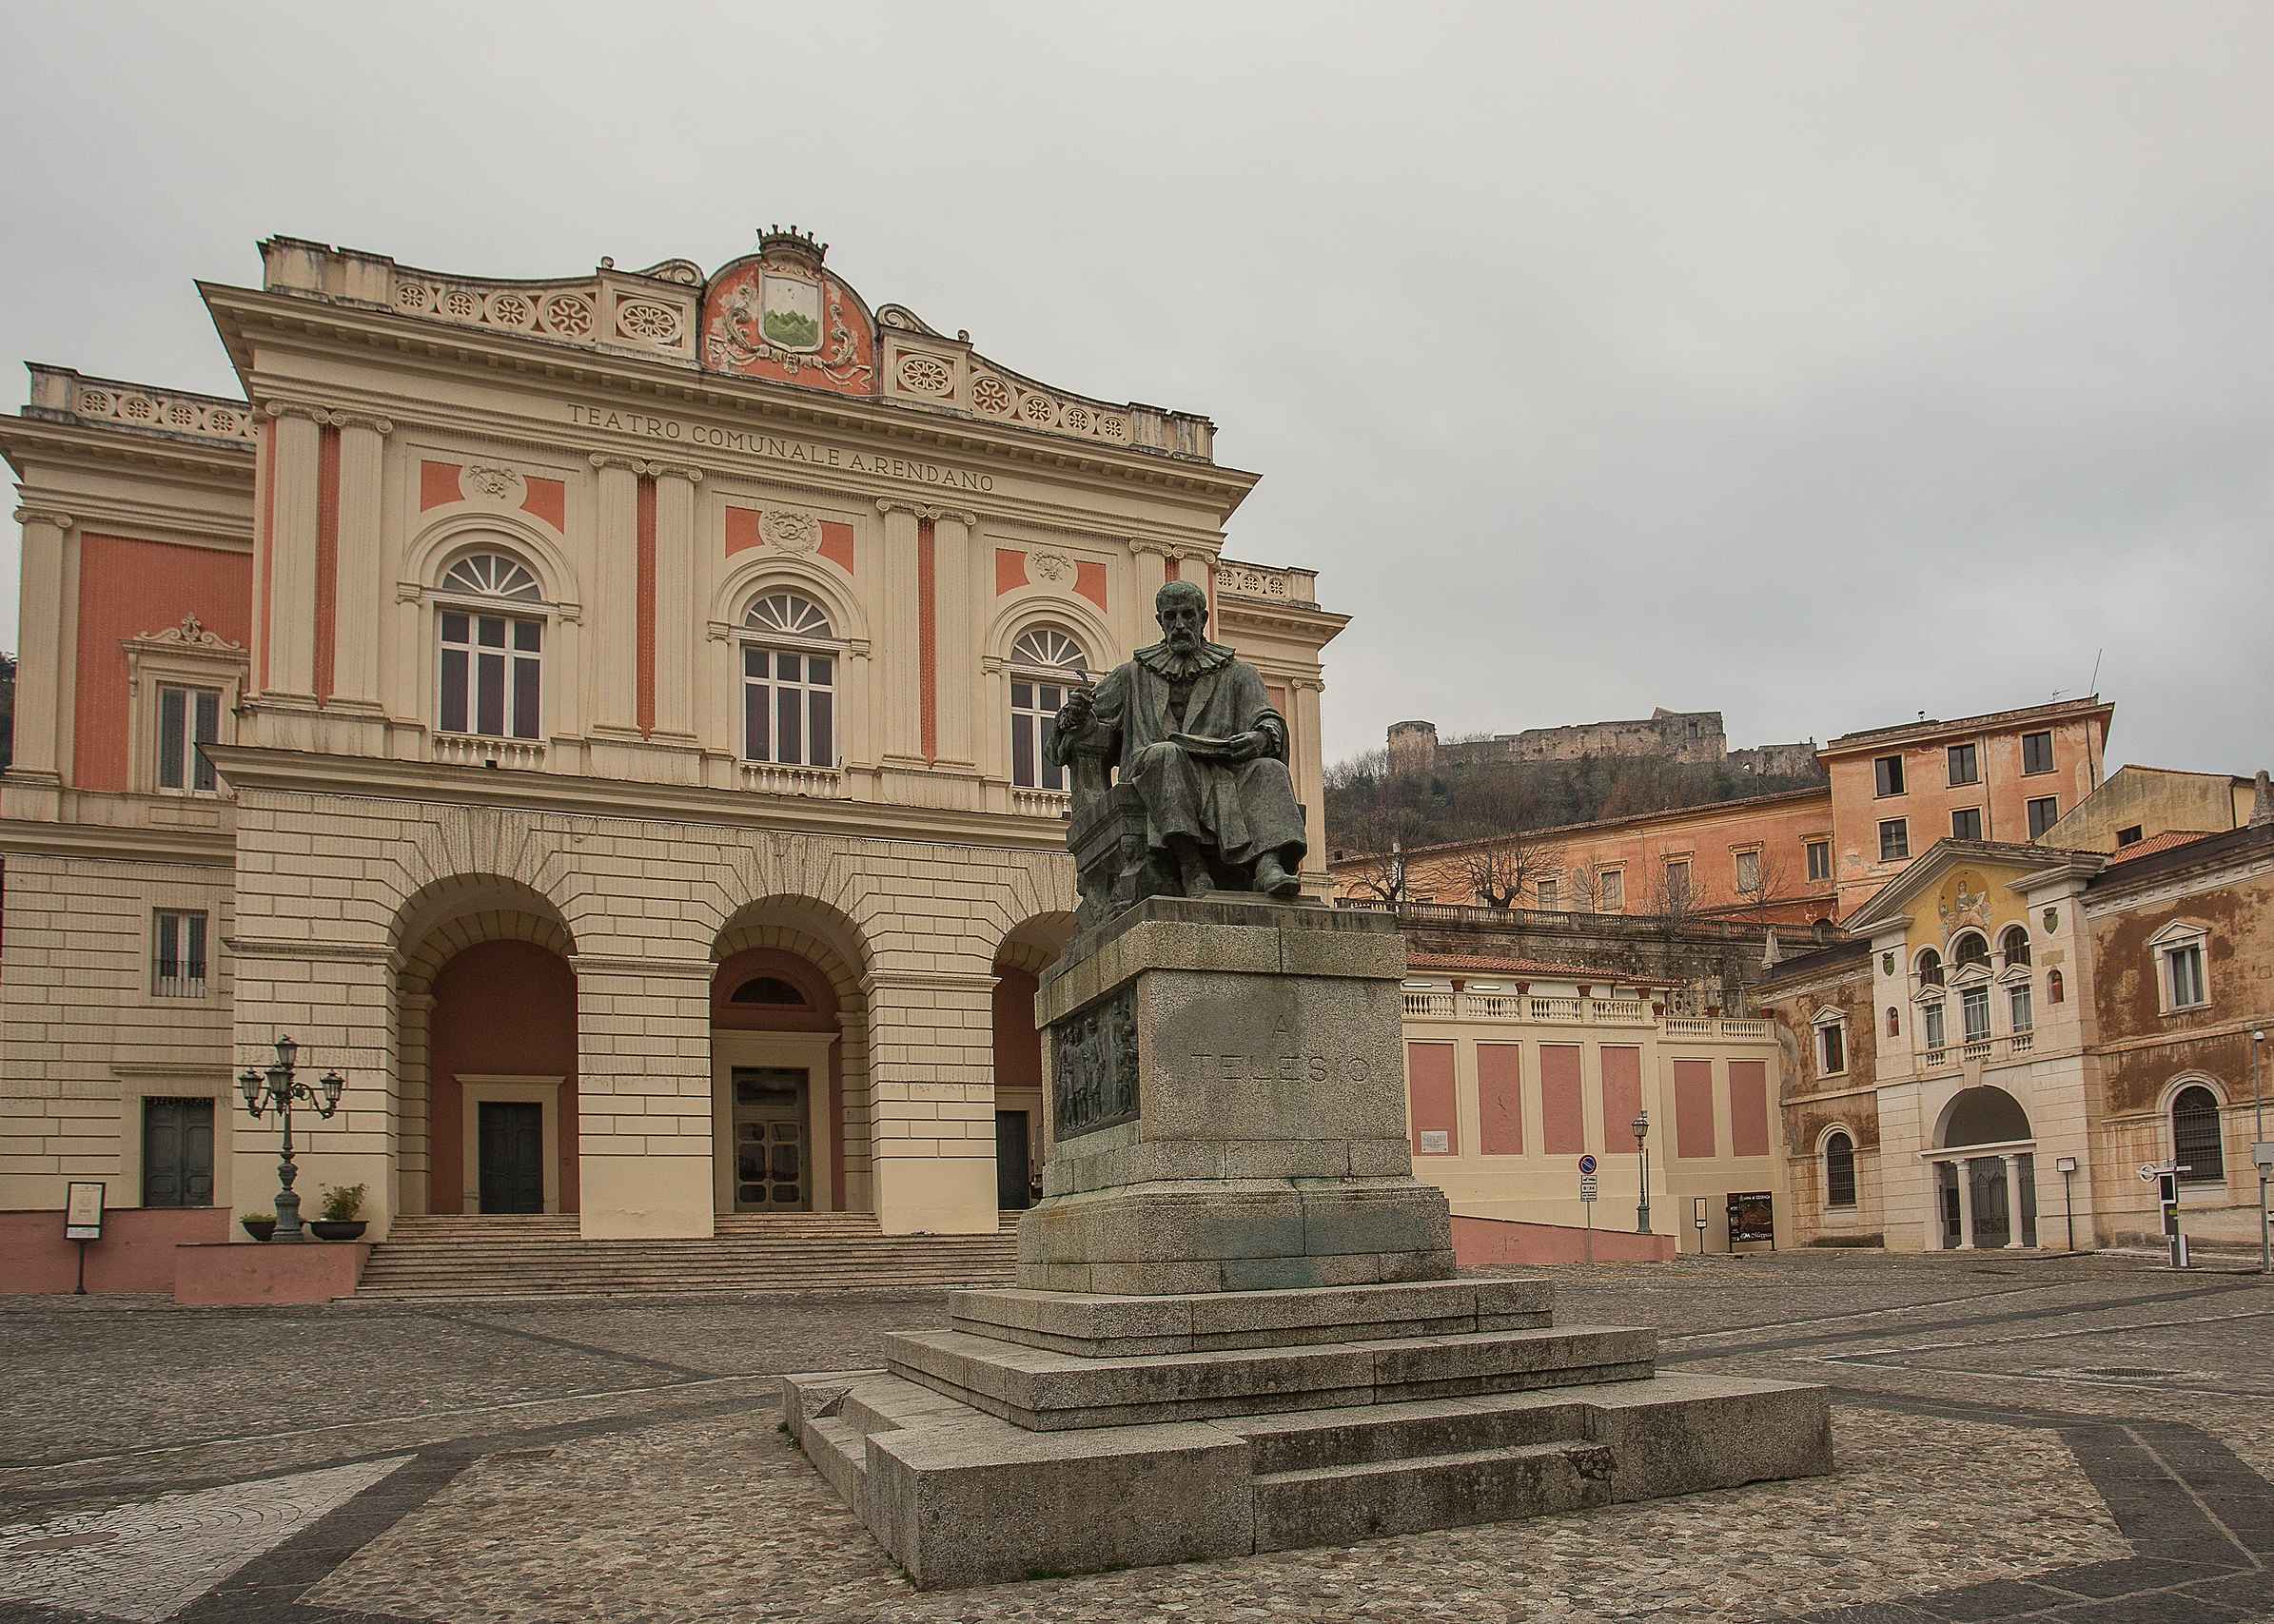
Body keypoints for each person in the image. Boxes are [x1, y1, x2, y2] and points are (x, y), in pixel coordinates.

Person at [1050, 579, 1307, 897]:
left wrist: (1260, 737)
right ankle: (1191, 866)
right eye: (1171, 617)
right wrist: (1073, 715)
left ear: (1204, 618)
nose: (1180, 625)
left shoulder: (1239, 674)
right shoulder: (1132, 674)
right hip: (1153, 769)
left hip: (1223, 768)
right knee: (1166, 754)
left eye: (1188, 615)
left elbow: (1267, 718)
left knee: (1270, 769)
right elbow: (1086, 724)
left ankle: (1268, 866)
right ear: (1160, 621)